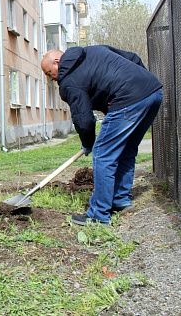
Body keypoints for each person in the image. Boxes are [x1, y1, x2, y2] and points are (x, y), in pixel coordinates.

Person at [41, 45, 162, 226]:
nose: (52, 78)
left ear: (57, 62)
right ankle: (120, 200)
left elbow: (84, 120)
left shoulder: (68, 81)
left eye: (50, 73)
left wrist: (88, 143)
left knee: (103, 154)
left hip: (128, 100)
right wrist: (140, 87)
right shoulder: (93, 50)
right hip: (152, 92)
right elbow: (133, 57)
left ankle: (98, 214)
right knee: (127, 149)